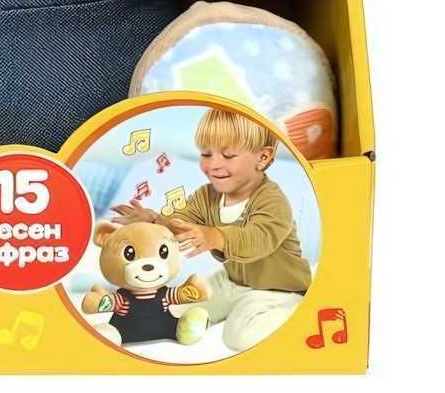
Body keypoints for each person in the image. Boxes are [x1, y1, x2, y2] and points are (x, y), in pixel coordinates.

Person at [112, 108, 311, 352]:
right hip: (232, 280)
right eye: (206, 153)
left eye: (228, 155)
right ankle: (214, 315)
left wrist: (215, 236)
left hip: (276, 288)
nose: (213, 164)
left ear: (262, 157)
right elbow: (181, 225)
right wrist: (154, 222)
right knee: (174, 311)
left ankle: (299, 309)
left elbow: (260, 238)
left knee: (239, 338)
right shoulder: (207, 196)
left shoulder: (272, 201)